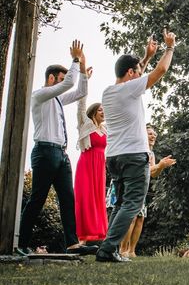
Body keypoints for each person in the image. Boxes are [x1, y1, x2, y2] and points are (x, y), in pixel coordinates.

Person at [96, 29, 177, 263]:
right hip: (133, 156)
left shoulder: (108, 91)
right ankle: (108, 248)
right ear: (130, 73)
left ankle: (107, 246)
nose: (141, 73)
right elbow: (160, 71)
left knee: (121, 204)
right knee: (133, 204)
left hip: (114, 157)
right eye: (138, 71)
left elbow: (135, 71)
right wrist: (169, 47)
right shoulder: (130, 88)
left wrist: (147, 56)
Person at [17, 40, 97, 256]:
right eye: (60, 80)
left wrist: (84, 75)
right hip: (44, 152)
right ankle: (22, 244)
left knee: (67, 199)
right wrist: (75, 60)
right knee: (37, 199)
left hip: (61, 155)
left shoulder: (58, 99)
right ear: (51, 79)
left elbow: (79, 91)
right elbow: (69, 84)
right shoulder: (39, 96)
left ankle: (72, 244)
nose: (63, 83)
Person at [119, 126, 176, 257]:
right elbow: (143, 170)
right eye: (150, 134)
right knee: (131, 217)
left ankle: (132, 251)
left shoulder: (151, 153)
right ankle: (123, 250)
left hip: (142, 188)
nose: (153, 136)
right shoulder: (139, 150)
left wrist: (161, 167)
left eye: (154, 134)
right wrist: (160, 165)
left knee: (140, 218)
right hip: (132, 186)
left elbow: (153, 173)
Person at [74, 64, 108, 244]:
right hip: (86, 165)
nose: (104, 112)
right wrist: (84, 80)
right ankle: (83, 237)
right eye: (101, 110)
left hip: (100, 167)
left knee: (97, 198)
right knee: (85, 199)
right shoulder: (85, 125)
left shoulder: (105, 129)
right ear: (94, 112)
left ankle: (99, 234)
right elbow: (81, 106)